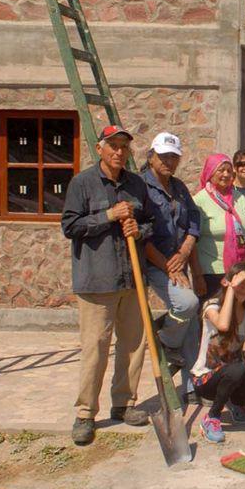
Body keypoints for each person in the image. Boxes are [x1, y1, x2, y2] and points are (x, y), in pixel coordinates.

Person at [61, 125, 152, 446]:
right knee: (95, 349)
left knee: (132, 345)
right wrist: (108, 215)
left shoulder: (136, 184)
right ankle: (85, 413)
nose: (119, 152)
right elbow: (69, 226)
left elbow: (152, 222)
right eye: (113, 146)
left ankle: (124, 404)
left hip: (132, 279)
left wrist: (139, 230)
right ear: (99, 149)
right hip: (97, 281)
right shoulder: (82, 183)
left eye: (124, 147)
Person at [140, 132, 202, 405]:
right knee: (187, 304)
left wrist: (186, 251)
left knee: (192, 324)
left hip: (178, 260)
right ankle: (165, 339)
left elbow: (194, 222)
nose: (168, 161)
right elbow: (142, 236)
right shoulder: (140, 187)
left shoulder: (178, 187)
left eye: (173, 157)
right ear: (151, 156)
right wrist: (168, 267)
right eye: (163, 156)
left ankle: (191, 386)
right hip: (155, 263)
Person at [192, 262, 245, 443]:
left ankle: (234, 402)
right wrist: (232, 289)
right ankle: (212, 417)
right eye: (240, 283)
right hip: (205, 379)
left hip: (234, 375)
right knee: (236, 368)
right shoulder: (212, 306)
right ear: (227, 283)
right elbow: (222, 325)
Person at [193, 154, 245, 299]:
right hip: (213, 272)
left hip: (241, 271)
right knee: (214, 315)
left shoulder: (239, 197)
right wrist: (197, 276)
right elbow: (192, 242)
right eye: (220, 170)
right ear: (210, 172)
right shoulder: (199, 201)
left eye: (229, 170)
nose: (226, 174)